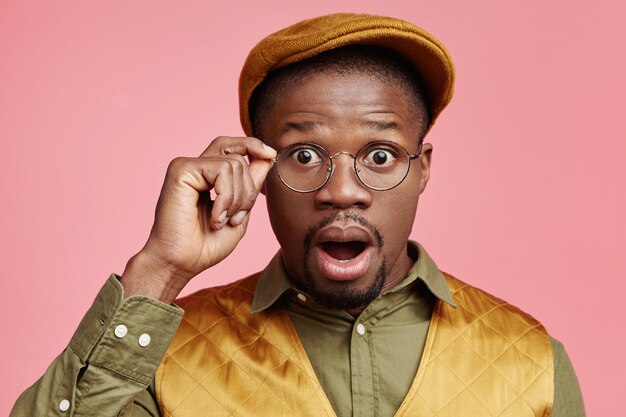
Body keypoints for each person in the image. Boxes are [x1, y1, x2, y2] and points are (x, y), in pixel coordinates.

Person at [11, 13, 585, 417]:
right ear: (255, 169)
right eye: (304, 155)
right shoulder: (161, 356)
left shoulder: (530, 358)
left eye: (379, 156)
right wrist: (161, 268)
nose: (342, 192)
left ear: (423, 168)